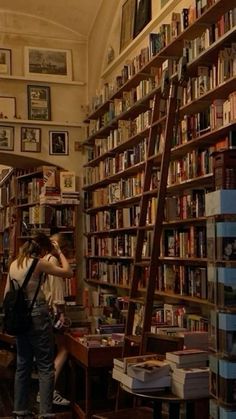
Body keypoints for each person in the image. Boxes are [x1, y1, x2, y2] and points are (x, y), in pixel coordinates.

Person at [4, 233, 73, 419]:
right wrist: (59, 253)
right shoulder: (38, 263)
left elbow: (7, 296)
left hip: (20, 319)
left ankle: (20, 411)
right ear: (41, 250)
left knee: (23, 365)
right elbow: (68, 272)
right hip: (37, 317)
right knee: (45, 366)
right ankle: (45, 412)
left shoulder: (13, 265)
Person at [37, 233, 71, 406]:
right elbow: (57, 290)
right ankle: (49, 391)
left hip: (44, 311)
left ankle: (46, 390)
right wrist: (62, 312)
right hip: (54, 311)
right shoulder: (54, 260)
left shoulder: (44, 259)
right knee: (64, 349)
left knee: (50, 352)